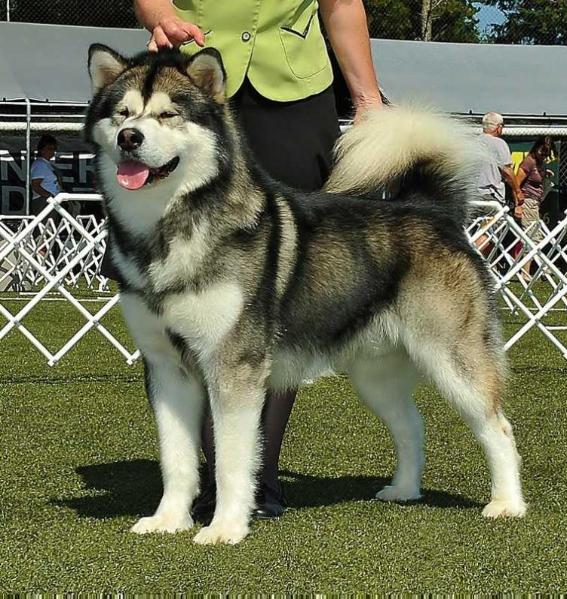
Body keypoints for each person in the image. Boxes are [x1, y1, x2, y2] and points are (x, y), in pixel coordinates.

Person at [133, 0, 383, 519]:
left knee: (284, 296)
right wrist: (159, 15)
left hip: (294, 94)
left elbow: (341, 4)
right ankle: (205, 480)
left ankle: (258, 477)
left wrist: (368, 97)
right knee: (179, 287)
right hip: (192, 77)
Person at [475, 112, 524, 257]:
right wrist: (517, 191)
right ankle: (472, 261)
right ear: (498, 127)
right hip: (490, 196)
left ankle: (483, 268)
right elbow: (507, 171)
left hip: (471, 195)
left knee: (474, 231)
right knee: (490, 232)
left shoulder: (472, 142)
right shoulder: (498, 143)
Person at [516, 136, 555, 281]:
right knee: (533, 238)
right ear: (536, 147)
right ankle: (527, 273)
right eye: (542, 151)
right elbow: (516, 183)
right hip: (527, 202)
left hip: (535, 204)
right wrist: (518, 205)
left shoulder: (539, 163)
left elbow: (535, 179)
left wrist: (544, 174)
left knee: (536, 237)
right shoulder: (529, 162)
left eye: (547, 153)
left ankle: (540, 270)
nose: (544, 155)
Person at [31, 134, 61, 215]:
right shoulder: (40, 164)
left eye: (54, 149)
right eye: (49, 148)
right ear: (41, 150)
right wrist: (49, 196)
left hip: (50, 201)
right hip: (43, 201)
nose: (52, 151)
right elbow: (35, 185)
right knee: (46, 226)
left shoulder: (47, 164)